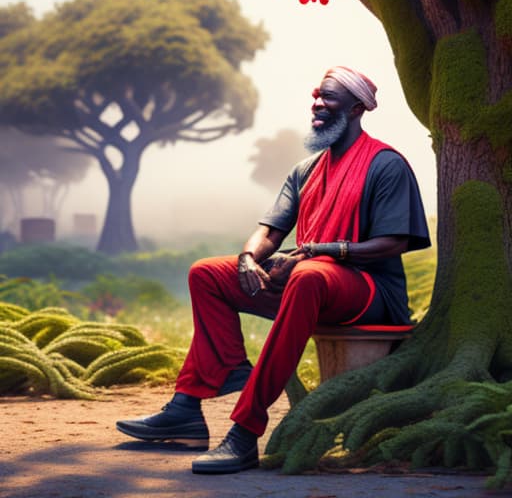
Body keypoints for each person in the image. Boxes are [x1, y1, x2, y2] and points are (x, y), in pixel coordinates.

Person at [116, 66, 431, 474]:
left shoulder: (386, 164)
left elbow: (393, 243)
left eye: (329, 97)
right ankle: (192, 404)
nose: (317, 103)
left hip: (370, 292)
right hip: (310, 281)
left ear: (356, 108)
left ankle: (245, 433)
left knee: (306, 275)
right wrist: (250, 258)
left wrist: (318, 251)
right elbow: (269, 230)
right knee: (207, 274)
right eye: (316, 95)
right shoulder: (306, 170)